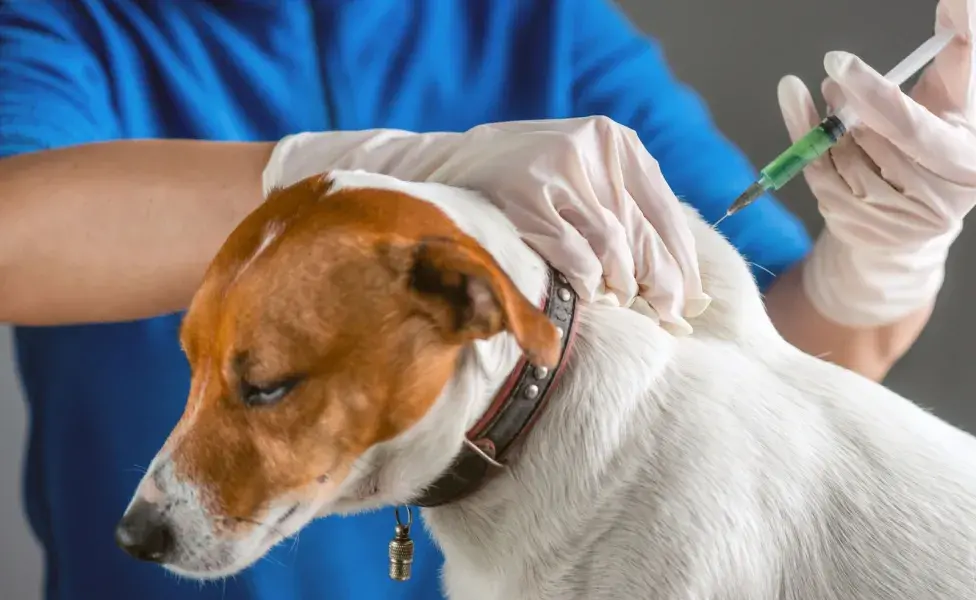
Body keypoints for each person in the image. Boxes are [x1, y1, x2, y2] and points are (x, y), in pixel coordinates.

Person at [0, 0, 973, 598]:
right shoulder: (61, 21)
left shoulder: (542, 22)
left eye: (259, 386)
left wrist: (881, 260)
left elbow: (785, 388)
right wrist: (382, 174)